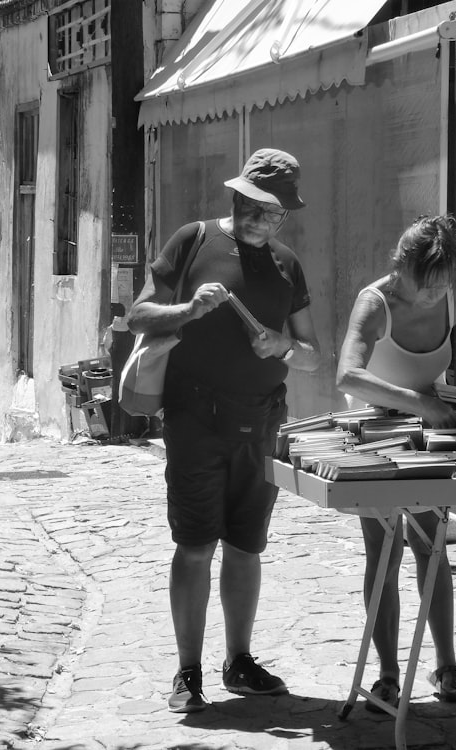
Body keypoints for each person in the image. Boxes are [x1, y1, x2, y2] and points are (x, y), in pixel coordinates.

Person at [127, 148, 324, 713]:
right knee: (194, 547)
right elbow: (138, 317)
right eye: (253, 206)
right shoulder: (192, 240)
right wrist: (188, 309)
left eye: (274, 212)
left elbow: (314, 355)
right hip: (195, 419)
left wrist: (283, 344)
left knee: (246, 546)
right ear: (235, 197)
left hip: (261, 420)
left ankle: (239, 661)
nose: (261, 219)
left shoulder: (288, 265)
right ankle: (187, 672)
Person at [335, 214, 456, 711]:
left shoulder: (455, 290)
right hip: (375, 433)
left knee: (431, 547)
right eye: (426, 287)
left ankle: (447, 667)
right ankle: (387, 674)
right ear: (401, 268)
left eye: (442, 287)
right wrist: (421, 403)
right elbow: (349, 376)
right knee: (383, 553)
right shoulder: (375, 302)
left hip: (430, 433)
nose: (435, 296)